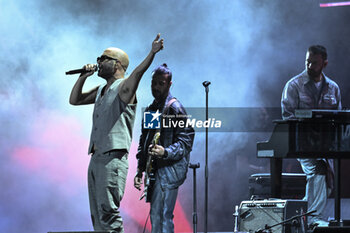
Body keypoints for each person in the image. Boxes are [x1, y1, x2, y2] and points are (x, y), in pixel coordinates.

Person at [69, 34, 164, 232]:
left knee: (108, 213)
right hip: (96, 158)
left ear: (117, 64)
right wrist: (83, 76)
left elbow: (137, 73)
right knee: (98, 216)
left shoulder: (124, 88)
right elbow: (75, 100)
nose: (99, 62)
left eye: (104, 59)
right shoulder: (102, 90)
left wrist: (152, 53)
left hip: (113, 158)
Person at [281, 45, 341, 227]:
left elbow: (337, 117)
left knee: (329, 179)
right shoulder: (294, 85)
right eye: (307, 61)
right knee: (319, 170)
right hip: (302, 143)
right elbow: (287, 115)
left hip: (325, 145)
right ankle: (313, 218)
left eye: (314, 63)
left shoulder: (333, 88)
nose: (310, 66)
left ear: (325, 63)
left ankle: (302, 215)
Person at [134, 64, 195, 233]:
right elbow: (144, 140)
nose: (156, 87)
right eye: (154, 83)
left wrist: (165, 152)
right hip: (156, 171)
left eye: (161, 83)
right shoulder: (152, 109)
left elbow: (186, 141)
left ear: (169, 85)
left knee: (164, 215)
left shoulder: (175, 108)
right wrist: (140, 169)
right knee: (156, 215)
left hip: (169, 171)